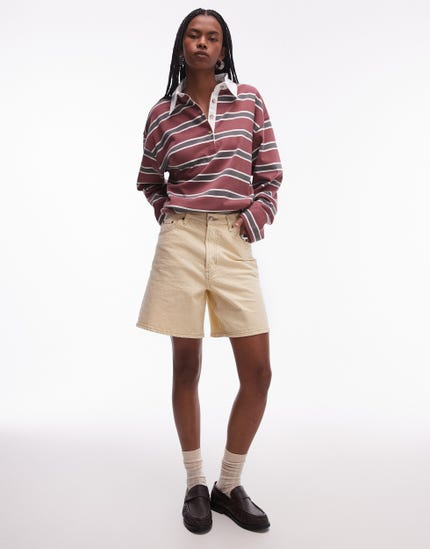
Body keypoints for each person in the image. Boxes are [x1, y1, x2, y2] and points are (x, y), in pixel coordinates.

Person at [135, 8, 283, 534]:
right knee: (186, 368)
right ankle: (196, 484)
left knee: (259, 373)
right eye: (194, 35)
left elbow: (270, 175)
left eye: (212, 36)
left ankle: (228, 485)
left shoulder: (249, 101)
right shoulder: (162, 114)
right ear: (182, 45)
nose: (202, 43)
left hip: (232, 240)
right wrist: (169, 217)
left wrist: (253, 219)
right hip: (180, 242)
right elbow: (149, 179)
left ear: (224, 48)